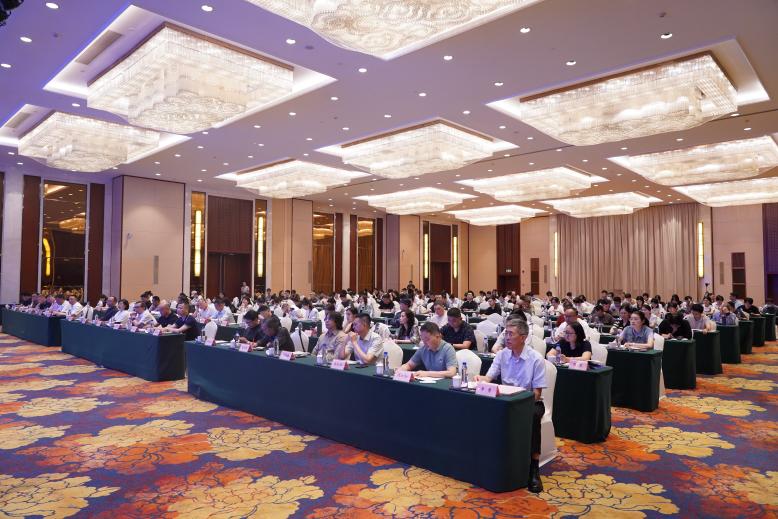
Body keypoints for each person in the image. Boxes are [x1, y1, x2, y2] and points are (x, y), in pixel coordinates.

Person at [474, 319, 546, 493]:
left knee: (534, 417)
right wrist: (479, 379)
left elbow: (537, 393)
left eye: (510, 334)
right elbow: (489, 378)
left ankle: (534, 468)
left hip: (529, 402)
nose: (506, 337)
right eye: (505, 333)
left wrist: (519, 399)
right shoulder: (502, 355)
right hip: (505, 401)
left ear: (523, 337)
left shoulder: (536, 359)